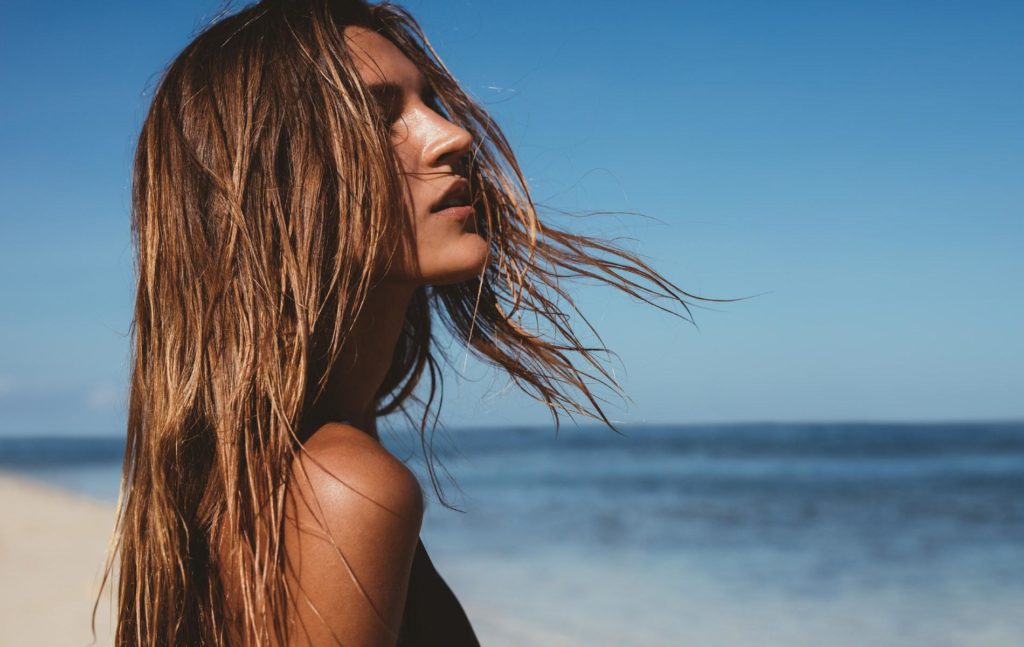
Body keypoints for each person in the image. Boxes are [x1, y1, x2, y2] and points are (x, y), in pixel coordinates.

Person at [99, 1, 710, 644]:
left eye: (428, 103)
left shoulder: (255, 476)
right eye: (379, 115)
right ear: (273, 182)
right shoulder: (341, 488)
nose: (453, 136)